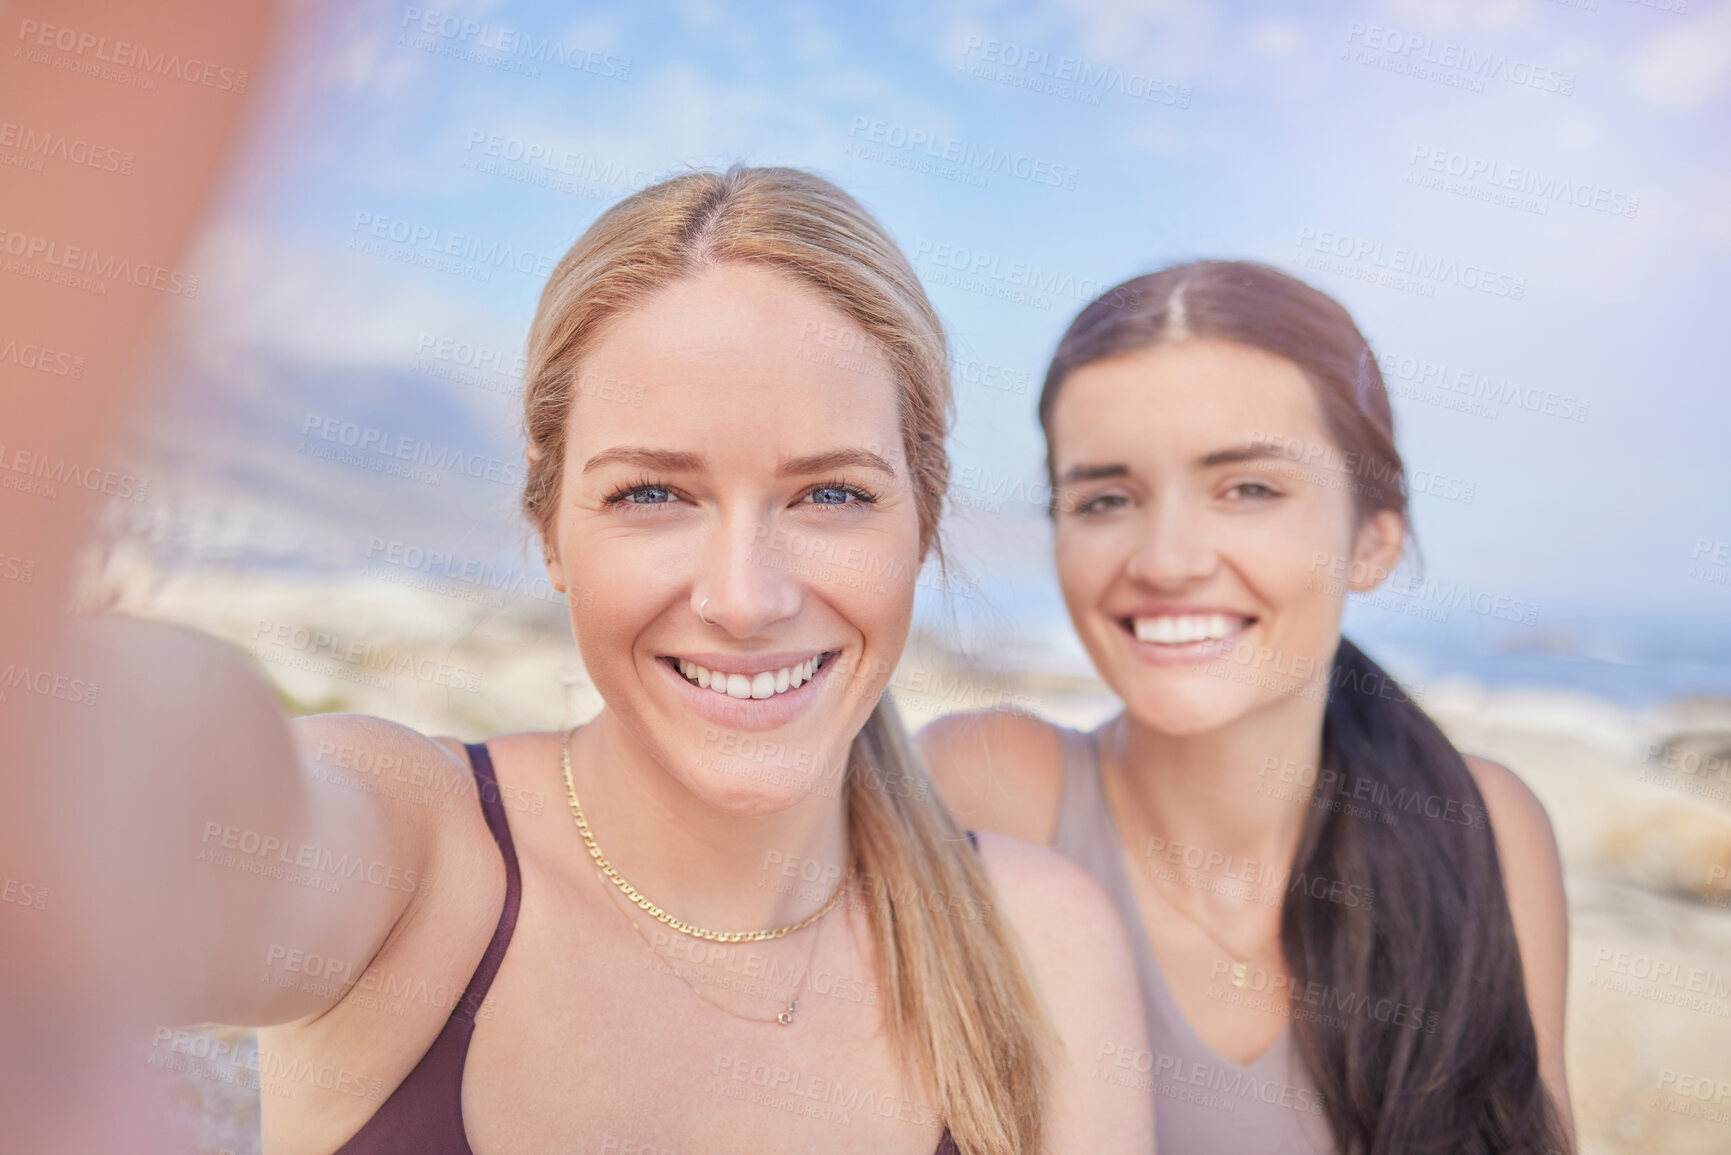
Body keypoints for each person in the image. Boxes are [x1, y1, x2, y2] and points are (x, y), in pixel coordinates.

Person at [19, 166, 1154, 1155]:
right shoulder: (422, 862)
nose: (745, 597)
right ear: (550, 524)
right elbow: (212, 806)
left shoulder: (1039, 941)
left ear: (924, 521)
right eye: (653, 493)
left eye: (832, 494)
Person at [918, 261, 1573, 1154]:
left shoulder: (1482, 827)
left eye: (1248, 488)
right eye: (1105, 498)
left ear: (1371, 540)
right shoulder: (983, 787)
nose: (1166, 559)